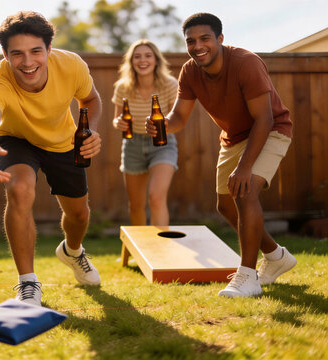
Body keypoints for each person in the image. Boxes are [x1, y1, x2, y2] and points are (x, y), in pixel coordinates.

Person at [146, 13, 296, 298]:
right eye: (191, 41)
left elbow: (264, 119)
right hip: (234, 138)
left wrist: (245, 166)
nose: (197, 46)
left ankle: (247, 277)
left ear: (220, 39)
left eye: (205, 39)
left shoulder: (245, 63)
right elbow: (179, 117)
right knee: (225, 206)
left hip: (271, 130)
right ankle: (277, 257)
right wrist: (162, 124)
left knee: (245, 190)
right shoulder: (190, 71)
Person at [0, 11, 103, 307]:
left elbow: (90, 99)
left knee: (79, 215)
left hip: (63, 140)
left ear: (49, 49)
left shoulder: (71, 65)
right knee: (19, 188)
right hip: (15, 139)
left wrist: (88, 129)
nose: (27, 63)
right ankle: (28, 282)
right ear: (5, 54)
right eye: (17, 54)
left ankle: (73, 251)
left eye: (35, 52)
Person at [112, 39, 178, 226]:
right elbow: (116, 119)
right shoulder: (123, 86)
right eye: (137, 56)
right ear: (131, 61)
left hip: (162, 143)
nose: (143, 60)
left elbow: (176, 118)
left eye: (148, 56)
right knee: (135, 205)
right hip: (132, 145)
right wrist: (119, 123)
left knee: (156, 197)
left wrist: (164, 125)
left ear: (156, 60)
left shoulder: (169, 84)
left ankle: (160, 252)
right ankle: (137, 253)